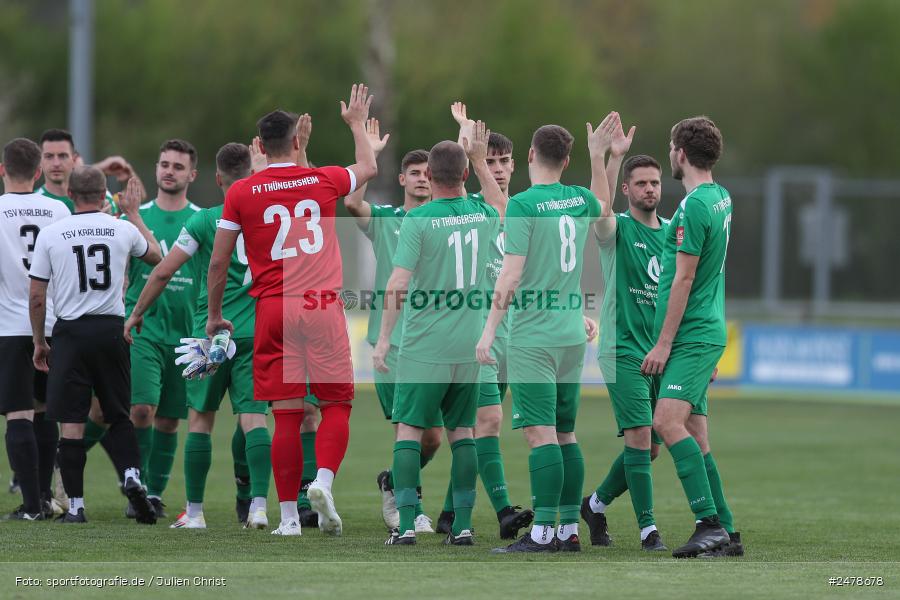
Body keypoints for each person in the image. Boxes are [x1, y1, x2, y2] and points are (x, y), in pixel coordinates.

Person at [206, 83, 378, 536]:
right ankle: (321, 481)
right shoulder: (323, 180)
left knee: (284, 412)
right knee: (336, 403)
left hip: (273, 310)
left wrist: (214, 314)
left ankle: (287, 518)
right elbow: (369, 166)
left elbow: (220, 260)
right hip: (320, 305)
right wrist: (357, 124)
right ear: (298, 142)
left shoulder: (242, 191)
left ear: (259, 146)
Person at [477, 114, 617, 553]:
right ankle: (568, 531)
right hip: (572, 335)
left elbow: (510, 275)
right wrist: (601, 159)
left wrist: (489, 331)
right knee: (565, 433)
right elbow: (605, 206)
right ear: (567, 158)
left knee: (539, 434)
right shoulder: (577, 198)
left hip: (533, 335)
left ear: (532, 155)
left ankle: (543, 534)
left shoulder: (522, 204)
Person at [124, 142, 277, 529]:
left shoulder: (205, 220)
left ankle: (194, 513)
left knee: (199, 422)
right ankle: (258, 506)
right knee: (254, 419)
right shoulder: (272, 219)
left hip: (209, 333)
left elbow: (162, 271)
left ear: (217, 178)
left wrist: (136, 312)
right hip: (256, 331)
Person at [374, 127, 500, 546]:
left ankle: (406, 526)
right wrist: (481, 159)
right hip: (469, 343)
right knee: (463, 432)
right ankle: (462, 526)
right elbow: (503, 204)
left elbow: (397, 284)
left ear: (429, 173)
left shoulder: (418, 219)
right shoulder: (482, 213)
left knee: (409, 431)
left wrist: (385, 339)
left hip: (425, 344)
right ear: (465, 173)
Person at [28, 167, 162, 524]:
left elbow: (38, 295)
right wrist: (133, 215)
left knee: (71, 422)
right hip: (111, 329)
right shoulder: (122, 228)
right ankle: (132, 475)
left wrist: (40, 341)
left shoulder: (52, 234)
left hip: (70, 333)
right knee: (119, 414)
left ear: (70, 194)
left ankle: (75, 506)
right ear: (105, 195)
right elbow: (156, 256)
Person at [641, 116, 739, 558]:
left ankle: (709, 524)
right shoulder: (721, 197)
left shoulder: (694, 206)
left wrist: (664, 344)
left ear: (680, 153)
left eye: (669, 147)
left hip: (691, 334)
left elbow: (684, 279)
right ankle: (727, 532)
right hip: (704, 331)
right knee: (697, 436)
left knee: (664, 422)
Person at [435, 103, 534, 540]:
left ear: (515, 164)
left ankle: (448, 513)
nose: (495, 168)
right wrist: (465, 140)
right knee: (488, 422)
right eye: (488, 161)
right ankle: (503, 513)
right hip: (479, 333)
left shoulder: (528, 210)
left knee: (475, 430)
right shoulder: (474, 206)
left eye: (501, 161)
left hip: (514, 335)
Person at [344, 119, 440, 533]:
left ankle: (393, 481)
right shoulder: (386, 219)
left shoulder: (446, 222)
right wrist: (369, 154)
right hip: (394, 343)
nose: (422, 179)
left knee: (433, 437)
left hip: (436, 342)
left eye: (429, 173)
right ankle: (409, 507)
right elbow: (352, 204)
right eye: (415, 173)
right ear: (402, 178)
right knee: (411, 428)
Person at [581, 117, 670, 550]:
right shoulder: (616, 230)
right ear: (628, 190)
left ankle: (595, 505)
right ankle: (648, 529)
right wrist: (608, 159)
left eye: (655, 182)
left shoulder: (673, 234)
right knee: (639, 437)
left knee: (652, 448)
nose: (650, 189)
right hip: (622, 350)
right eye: (641, 183)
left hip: (661, 352)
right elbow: (599, 211)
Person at [123, 139, 202, 519]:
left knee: (170, 420)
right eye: (163, 163)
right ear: (156, 169)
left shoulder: (203, 219)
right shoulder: (135, 217)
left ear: (192, 175)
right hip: (144, 330)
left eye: (177, 166)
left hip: (187, 333)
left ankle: (153, 493)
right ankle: (135, 484)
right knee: (141, 410)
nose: (169, 170)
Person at [0, 138, 69, 520]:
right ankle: (45, 498)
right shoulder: (57, 210)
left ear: (2, 170)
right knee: (45, 413)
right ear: (39, 172)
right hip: (54, 325)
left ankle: (31, 506)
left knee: (18, 414)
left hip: (10, 327)